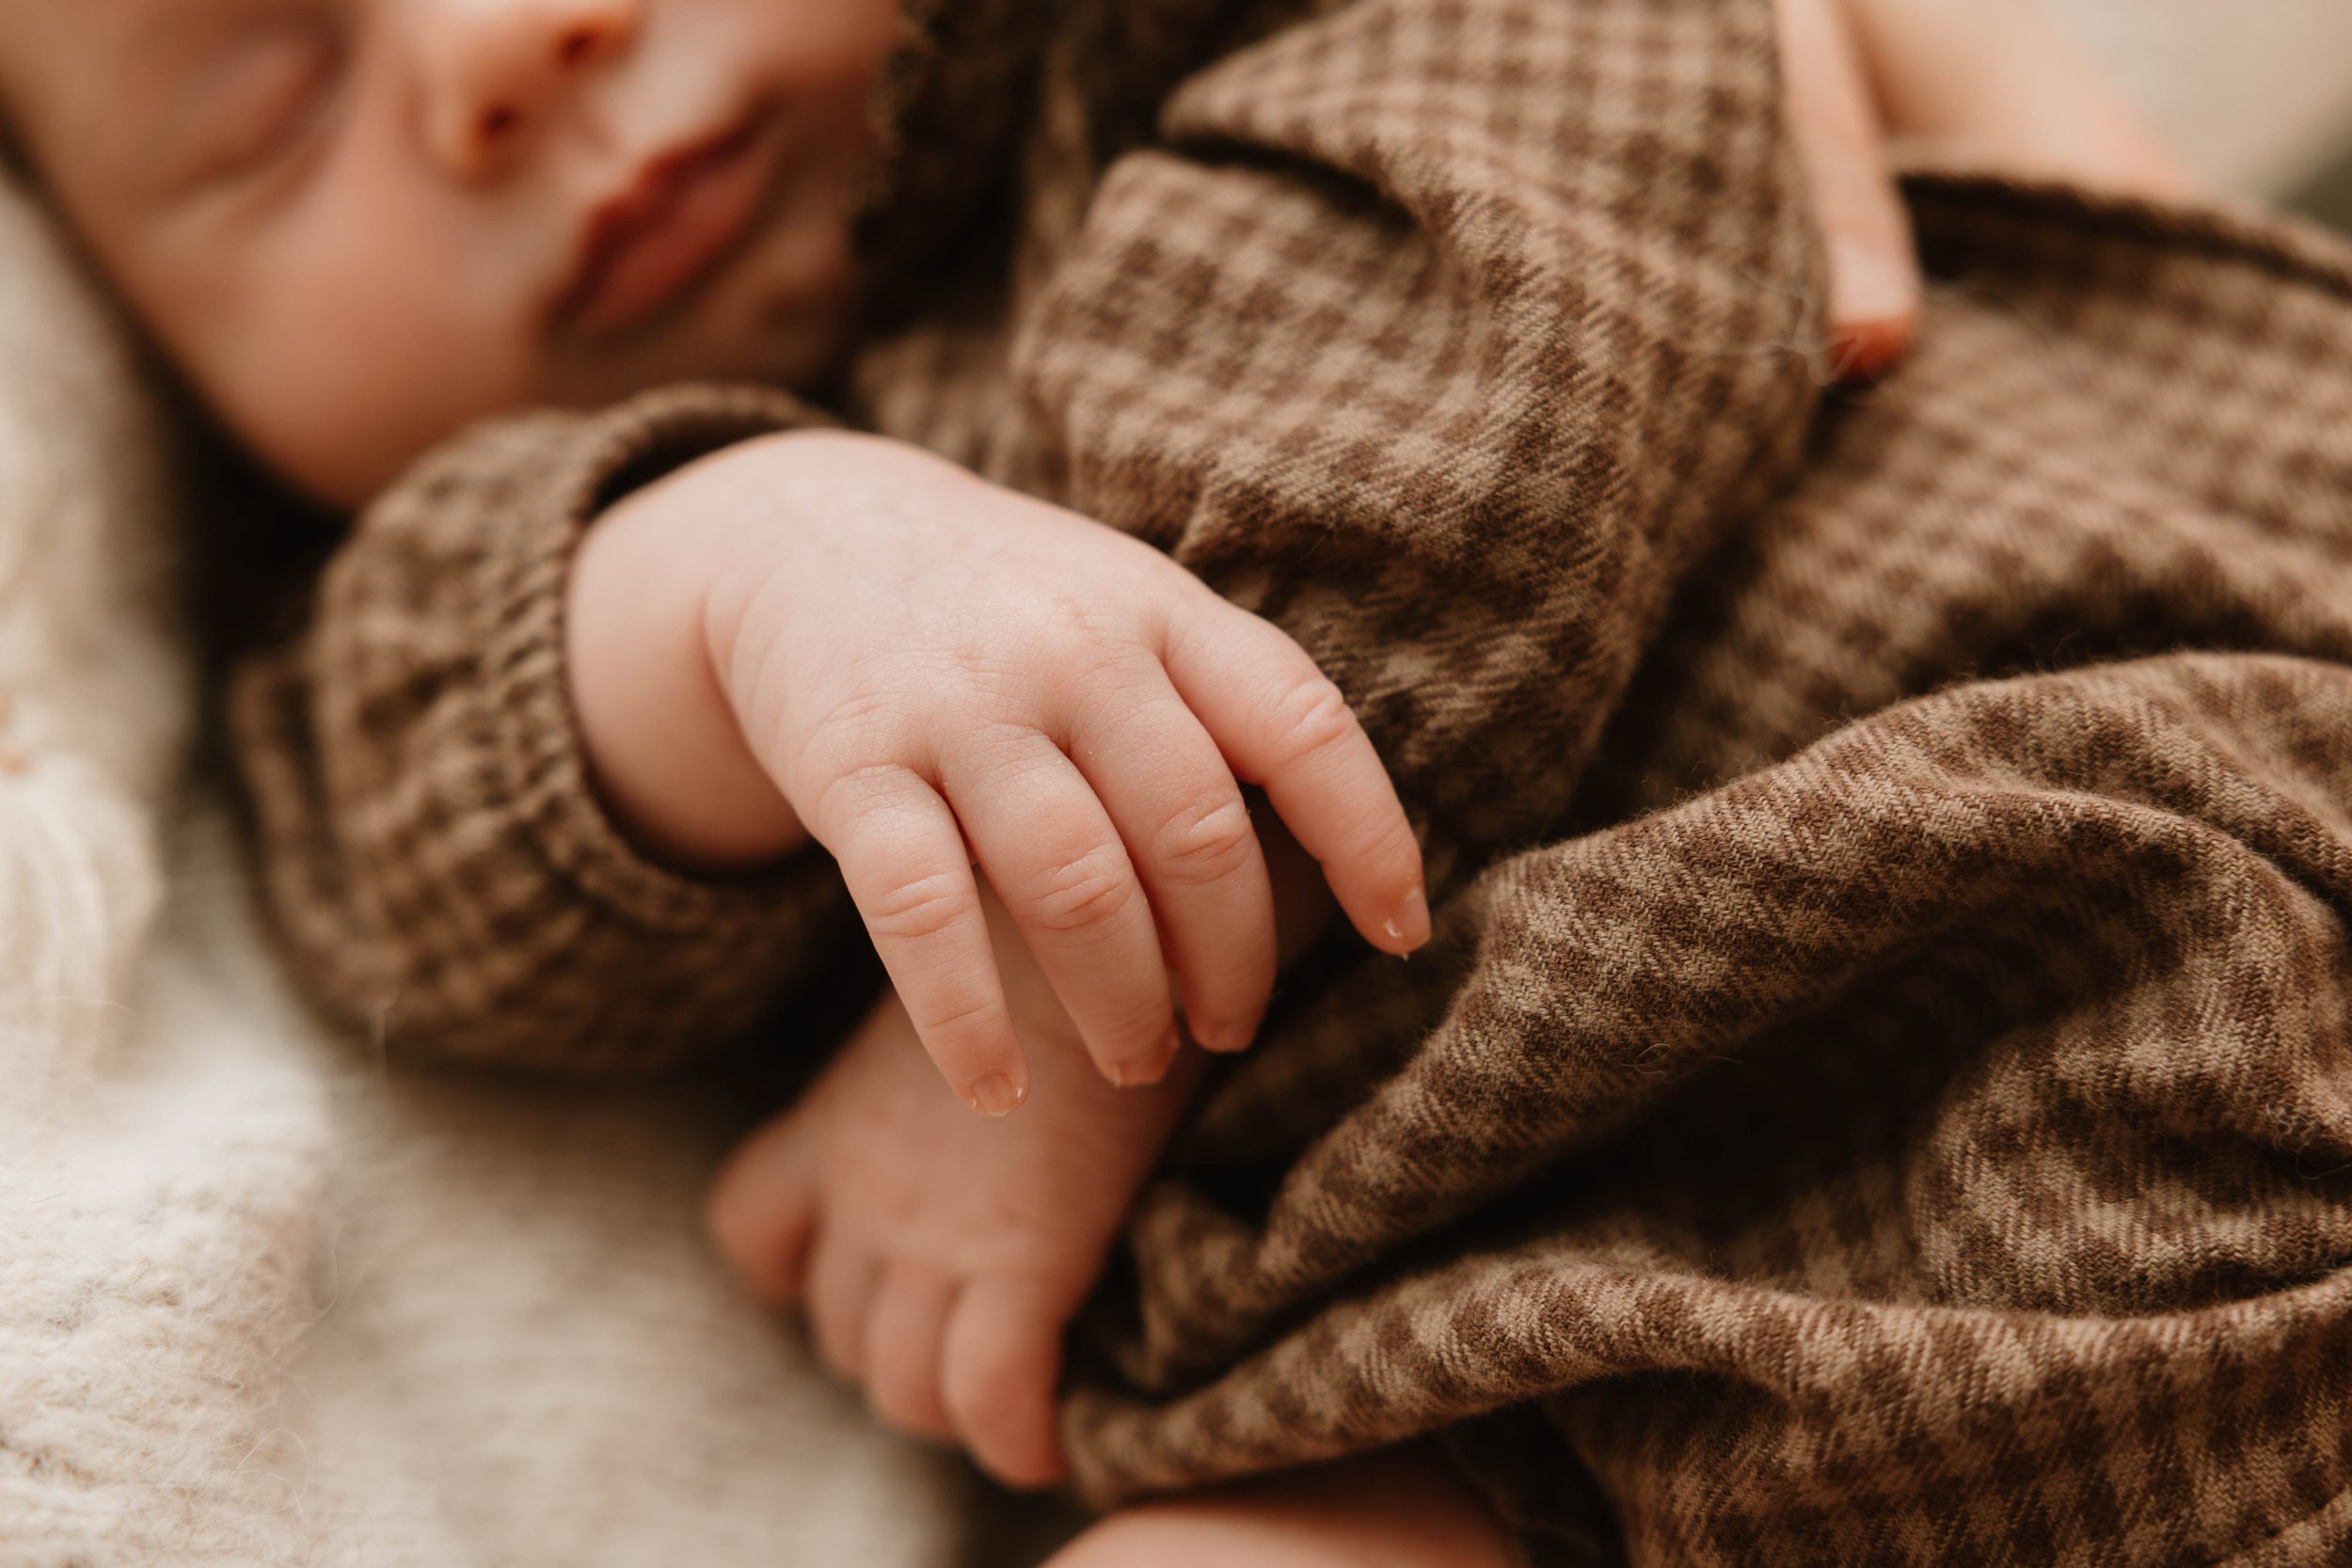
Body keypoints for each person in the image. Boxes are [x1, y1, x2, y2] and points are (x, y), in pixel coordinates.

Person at [0, 0, 2184, 1562]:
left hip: (2035, 934)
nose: (499, 46)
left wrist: (1067, 1017)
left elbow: (1506, 304)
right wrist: (745, 563)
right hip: (1465, 1389)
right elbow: (411, 840)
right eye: (267, 109)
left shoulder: (1143, 48)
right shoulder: (423, 573)